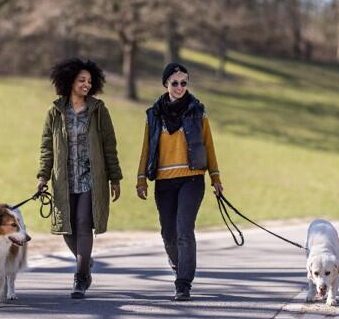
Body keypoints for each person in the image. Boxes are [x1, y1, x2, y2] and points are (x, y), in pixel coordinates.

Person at [135, 62, 223, 301]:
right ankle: (177, 264)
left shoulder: (197, 110)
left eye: (184, 83)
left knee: (184, 229)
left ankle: (183, 283)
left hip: (192, 179)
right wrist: (141, 178)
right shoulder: (153, 114)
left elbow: (208, 145)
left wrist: (215, 177)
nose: (180, 87)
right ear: (166, 84)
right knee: (168, 233)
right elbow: (146, 147)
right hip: (163, 181)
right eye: (175, 83)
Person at [37, 58, 122, 299]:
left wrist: (115, 178)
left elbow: (109, 146)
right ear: (69, 81)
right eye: (81, 80)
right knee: (66, 228)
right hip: (64, 179)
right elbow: (46, 148)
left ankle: (81, 277)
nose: (86, 84)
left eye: (89, 81)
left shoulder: (98, 110)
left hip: (91, 177)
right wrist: (43, 176)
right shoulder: (55, 111)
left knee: (84, 223)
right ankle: (85, 261)